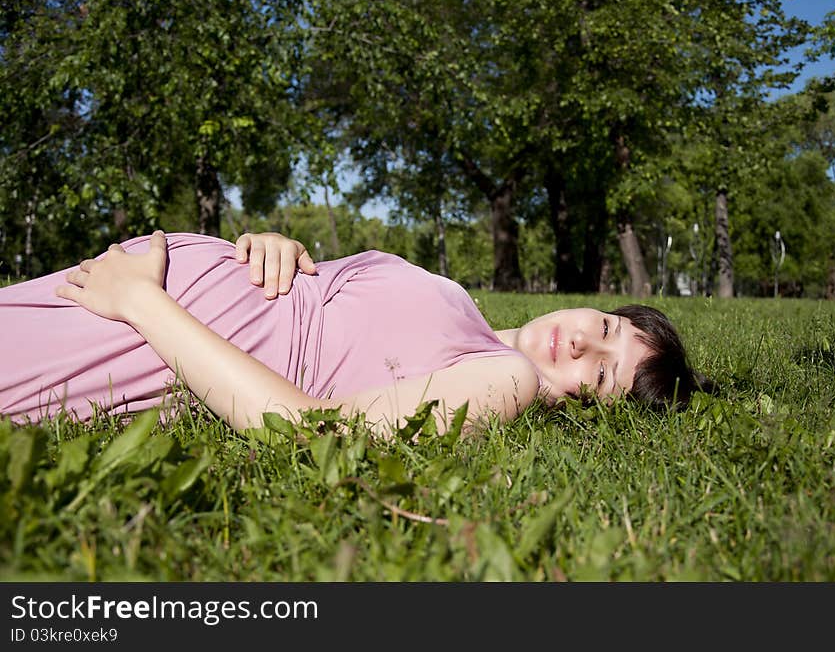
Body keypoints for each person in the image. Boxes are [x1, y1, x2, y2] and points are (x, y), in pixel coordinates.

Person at [0, 231, 702, 436]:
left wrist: (142, 301)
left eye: (604, 373)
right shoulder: (458, 300)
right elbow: (328, 293)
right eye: (606, 326)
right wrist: (272, 243)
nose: (583, 343)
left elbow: (311, 430)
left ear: (592, 407)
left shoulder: (506, 379)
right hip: (109, 288)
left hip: (134, 332)